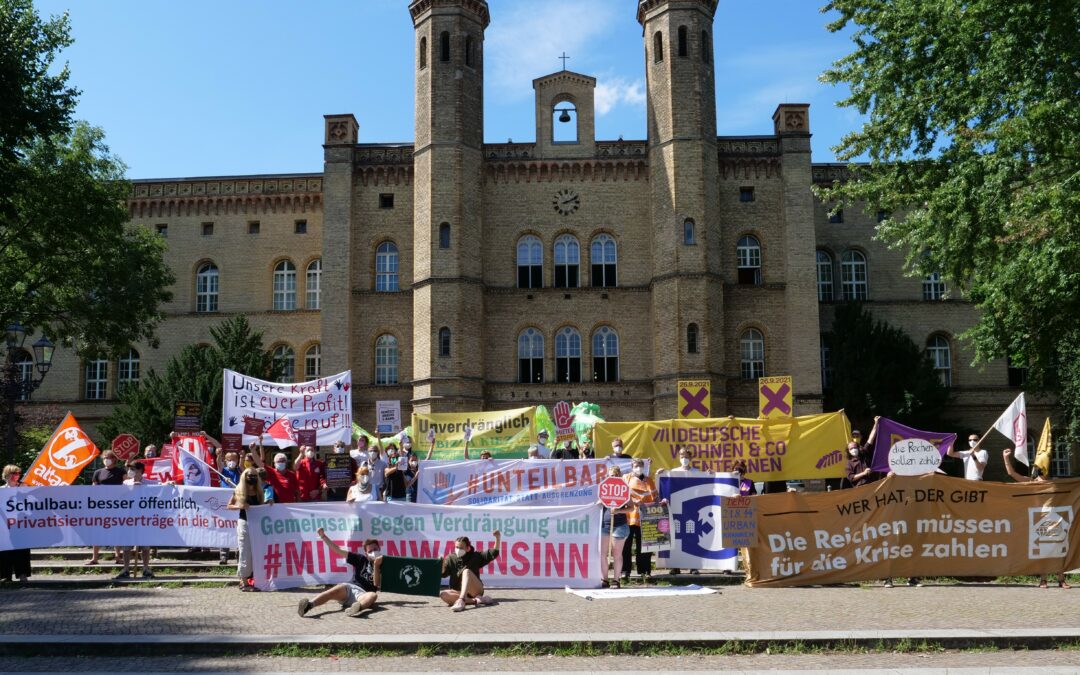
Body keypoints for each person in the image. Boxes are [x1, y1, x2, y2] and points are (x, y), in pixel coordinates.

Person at [1002, 448, 1070, 589]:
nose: (1044, 471)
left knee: (1058, 549)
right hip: (1039, 520)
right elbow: (1012, 474)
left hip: (1055, 519)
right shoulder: (1031, 482)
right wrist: (1006, 458)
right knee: (1043, 550)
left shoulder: (1054, 483)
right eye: (1041, 468)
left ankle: (1061, 579)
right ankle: (1043, 580)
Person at [299, 528, 383, 617]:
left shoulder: (384, 564)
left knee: (373, 596)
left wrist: (376, 565)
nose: (373, 552)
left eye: (375, 549)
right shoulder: (361, 559)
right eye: (370, 551)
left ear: (379, 548)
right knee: (331, 592)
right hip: (349, 588)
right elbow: (338, 550)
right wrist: (323, 537)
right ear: (366, 553)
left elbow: (376, 584)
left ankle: (356, 608)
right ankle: (308, 605)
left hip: (364, 594)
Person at [440, 530, 501, 611]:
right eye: (456, 547)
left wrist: (497, 537)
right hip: (458, 591)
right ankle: (476, 600)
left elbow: (494, 552)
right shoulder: (450, 558)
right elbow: (443, 574)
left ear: (468, 548)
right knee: (443, 594)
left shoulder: (475, 556)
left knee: (466, 571)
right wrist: (442, 565)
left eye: (461, 548)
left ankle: (461, 600)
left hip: (475, 590)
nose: (458, 549)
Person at [226, 467, 265, 591]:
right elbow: (229, 506)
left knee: (256, 552)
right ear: (244, 476)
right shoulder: (239, 491)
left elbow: (261, 506)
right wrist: (240, 506)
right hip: (244, 523)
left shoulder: (259, 491)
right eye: (249, 475)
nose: (252, 477)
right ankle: (243, 581)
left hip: (257, 524)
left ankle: (254, 578)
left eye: (254, 475)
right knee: (245, 551)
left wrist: (268, 503)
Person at [622, 457, 659, 583]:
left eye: (640, 465)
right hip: (628, 517)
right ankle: (624, 571)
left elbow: (655, 497)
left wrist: (661, 502)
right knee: (626, 546)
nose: (638, 468)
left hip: (645, 518)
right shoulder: (626, 478)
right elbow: (622, 494)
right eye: (636, 465)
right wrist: (633, 501)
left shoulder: (649, 480)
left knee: (644, 547)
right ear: (632, 467)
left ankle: (645, 571)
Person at [117, 461, 155, 579]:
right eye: (130, 469)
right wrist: (132, 489)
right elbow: (120, 496)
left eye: (133, 469)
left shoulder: (149, 483)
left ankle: (145, 568)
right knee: (127, 546)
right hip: (129, 519)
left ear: (140, 471)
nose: (130, 472)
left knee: (145, 546)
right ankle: (126, 569)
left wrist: (169, 483)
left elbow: (160, 491)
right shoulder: (126, 483)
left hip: (144, 519)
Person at [87, 451, 126, 566]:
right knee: (97, 531)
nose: (106, 459)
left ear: (114, 459)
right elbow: (93, 489)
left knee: (116, 530)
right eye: (104, 458)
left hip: (116, 505)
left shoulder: (120, 471)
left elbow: (128, 484)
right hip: (101, 506)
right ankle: (94, 558)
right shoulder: (98, 472)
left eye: (108, 457)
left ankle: (118, 556)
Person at [598, 466, 630, 588]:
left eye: (615, 475)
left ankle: (616, 580)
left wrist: (618, 511)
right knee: (602, 553)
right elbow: (599, 503)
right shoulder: (604, 488)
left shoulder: (624, 490)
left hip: (619, 526)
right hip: (605, 525)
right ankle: (604, 579)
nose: (613, 477)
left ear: (619, 476)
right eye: (611, 475)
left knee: (617, 554)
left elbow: (631, 507)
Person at [0, 465, 30, 583]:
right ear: (7, 474)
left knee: (22, 550)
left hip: (21, 525)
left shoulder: (23, 488)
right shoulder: (1, 490)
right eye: (14, 473)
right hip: (4, 526)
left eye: (18, 473)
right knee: (5, 551)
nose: (17, 476)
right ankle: (6, 575)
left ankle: (22, 574)